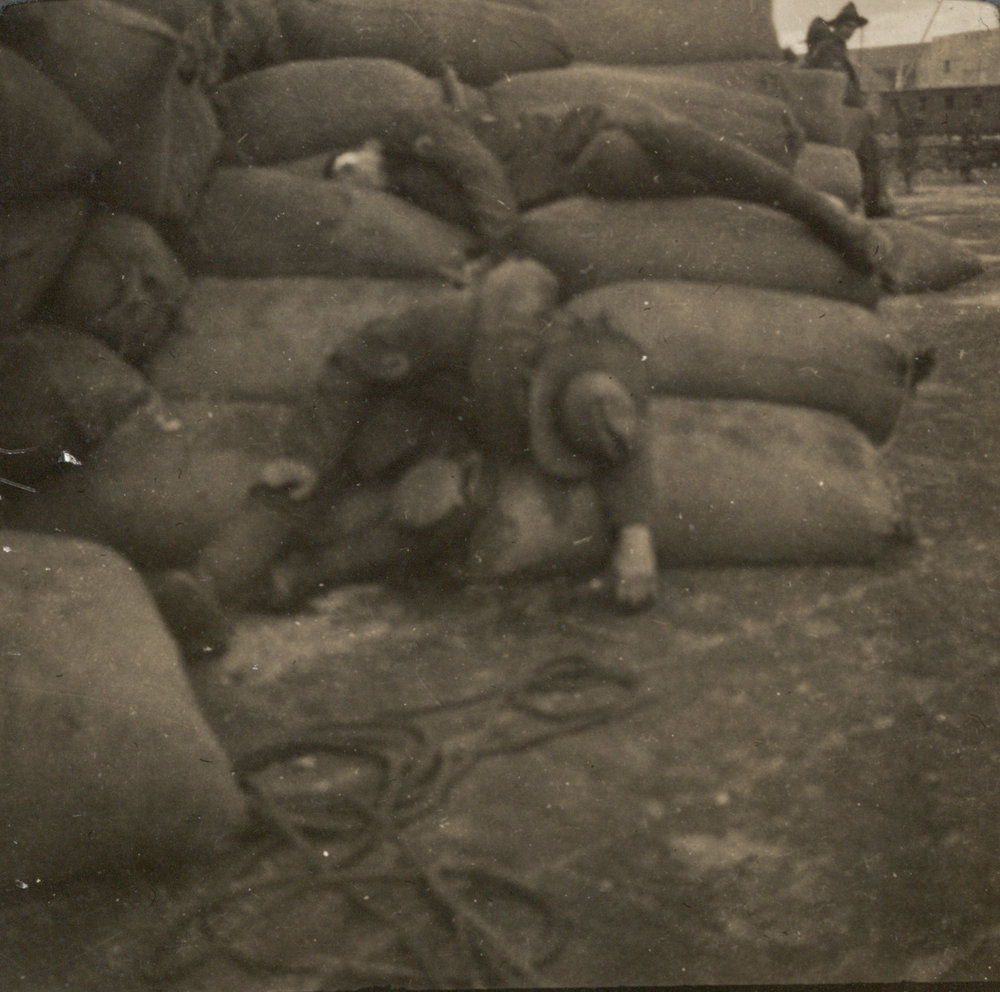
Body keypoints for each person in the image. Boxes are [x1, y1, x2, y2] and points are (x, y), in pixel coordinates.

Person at [803, 3, 894, 217]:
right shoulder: (830, 48)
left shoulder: (837, 49)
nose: (850, 30)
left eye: (853, 26)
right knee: (870, 151)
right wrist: (862, 106)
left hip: (838, 111)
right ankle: (874, 206)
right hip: (838, 112)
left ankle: (871, 202)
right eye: (846, 25)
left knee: (869, 154)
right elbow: (837, 84)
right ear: (838, 26)